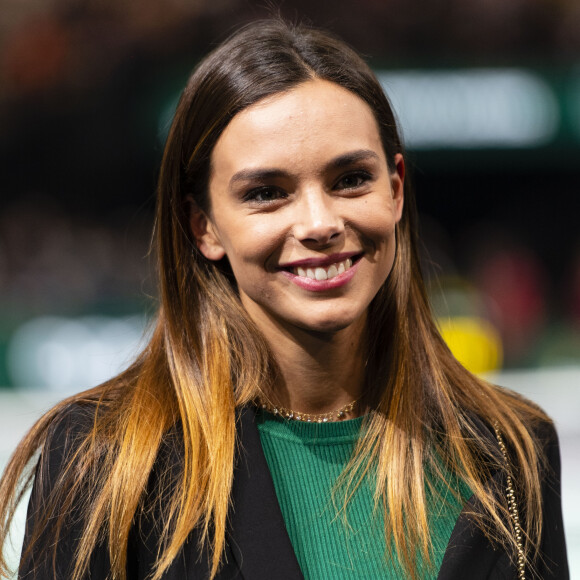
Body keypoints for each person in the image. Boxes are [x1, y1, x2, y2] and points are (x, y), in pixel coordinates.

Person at [0, 19, 569, 580]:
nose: (320, 223)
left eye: (350, 180)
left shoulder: (511, 447)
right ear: (204, 227)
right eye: (267, 194)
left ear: (396, 189)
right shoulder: (105, 459)